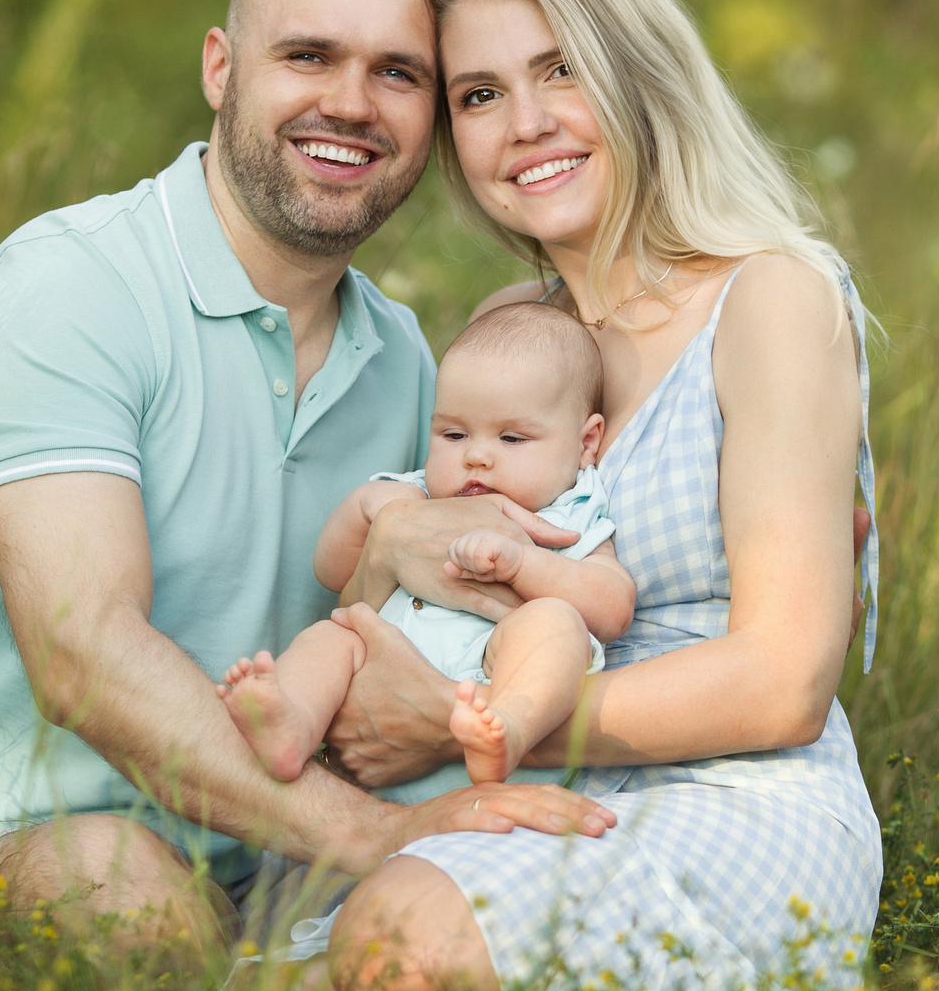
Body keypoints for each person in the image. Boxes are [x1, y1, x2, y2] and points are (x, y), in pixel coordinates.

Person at [0, 0, 617, 948]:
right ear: (219, 68)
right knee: (126, 897)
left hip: (260, 861)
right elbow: (85, 657)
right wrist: (384, 836)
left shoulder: (410, 372)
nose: (349, 103)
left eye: (397, 74)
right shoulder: (71, 285)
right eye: (307, 56)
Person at [316, 0, 885, 991]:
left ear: (639, 76)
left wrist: (456, 719)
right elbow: (415, 548)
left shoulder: (768, 298)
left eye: (560, 70)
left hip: (729, 792)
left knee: (397, 955)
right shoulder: (509, 334)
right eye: (480, 92)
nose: (524, 123)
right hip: (519, 784)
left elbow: (782, 680)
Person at [217, 300, 631, 792]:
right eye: (453, 434)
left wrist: (524, 564)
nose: (476, 455)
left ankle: (509, 730)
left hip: (490, 679)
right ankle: (293, 723)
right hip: (378, 692)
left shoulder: (571, 513)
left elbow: (612, 606)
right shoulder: (417, 495)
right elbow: (330, 570)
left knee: (552, 625)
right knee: (335, 636)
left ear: (586, 443)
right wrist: (370, 509)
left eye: (513, 439)